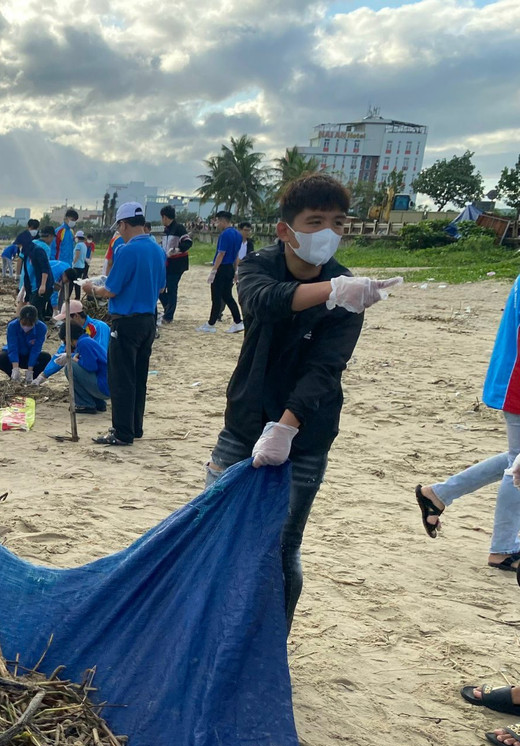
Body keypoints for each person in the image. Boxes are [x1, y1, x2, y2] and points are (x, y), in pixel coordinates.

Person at [203, 174, 401, 628]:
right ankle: (212, 625)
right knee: (216, 527)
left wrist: (288, 426)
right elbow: (261, 302)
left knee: (284, 545)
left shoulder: (352, 286)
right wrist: (330, 293)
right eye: (315, 221)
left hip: (307, 431)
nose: (328, 232)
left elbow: (326, 367)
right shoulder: (259, 266)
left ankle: (270, 642)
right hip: (245, 419)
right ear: (285, 230)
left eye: (337, 222)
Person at [416, 273, 520, 571]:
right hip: (516, 384)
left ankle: (439, 493)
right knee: (517, 463)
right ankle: (503, 549)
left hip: (510, 378)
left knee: (515, 457)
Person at [82, 202, 165, 446]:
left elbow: (110, 290)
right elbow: (161, 286)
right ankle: (134, 427)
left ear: (124, 224)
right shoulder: (157, 249)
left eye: (119, 226)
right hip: (148, 320)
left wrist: (90, 288)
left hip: (127, 321)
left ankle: (121, 432)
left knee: (121, 378)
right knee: (139, 376)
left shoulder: (126, 250)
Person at [35, 300, 109, 385]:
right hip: (88, 367)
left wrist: (71, 356)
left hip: (104, 372)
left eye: (66, 319)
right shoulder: (70, 330)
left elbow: (100, 354)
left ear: (76, 316)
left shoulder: (99, 327)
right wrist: (44, 375)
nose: (64, 322)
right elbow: (61, 353)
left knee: (72, 366)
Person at [200, 210, 244, 333]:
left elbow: (221, 254)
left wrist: (214, 271)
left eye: (217, 221)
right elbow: (236, 255)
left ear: (223, 221)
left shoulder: (225, 235)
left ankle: (211, 324)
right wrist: (236, 271)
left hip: (222, 268)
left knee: (216, 297)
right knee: (227, 296)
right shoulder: (238, 234)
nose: (216, 224)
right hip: (230, 267)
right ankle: (238, 321)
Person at [57, 322, 109, 414]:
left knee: (70, 367)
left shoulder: (83, 343)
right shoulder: (87, 340)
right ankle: (98, 403)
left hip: (103, 386)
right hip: (107, 384)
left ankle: (85, 404)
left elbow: (91, 367)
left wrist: (76, 360)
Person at [0, 304, 49, 382]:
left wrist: (30, 370)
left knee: (46, 358)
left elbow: (36, 350)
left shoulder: (41, 328)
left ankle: (32, 378)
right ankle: (14, 377)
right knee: (0, 358)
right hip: (15, 355)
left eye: (30, 324)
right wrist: (15, 368)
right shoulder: (12, 326)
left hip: (29, 356)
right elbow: (13, 347)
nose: (26, 326)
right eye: (23, 324)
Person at [159, 205, 191, 324]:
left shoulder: (179, 228)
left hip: (177, 264)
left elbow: (188, 242)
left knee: (172, 288)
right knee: (160, 288)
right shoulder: (166, 230)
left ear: (165, 217)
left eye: (162, 217)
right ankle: (168, 309)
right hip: (167, 263)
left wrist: (177, 250)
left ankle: (168, 316)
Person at [26, 225, 57, 320]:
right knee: (35, 311)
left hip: (35, 283)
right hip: (37, 283)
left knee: (35, 311)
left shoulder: (34, 246)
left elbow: (44, 268)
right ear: (50, 236)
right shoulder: (43, 248)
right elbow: (44, 268)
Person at [69, 230, 88, 300]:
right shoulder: (84, 245)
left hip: (76, 266)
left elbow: (77, 255)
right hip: (82, 266)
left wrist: (72, 264)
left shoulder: (78, 245)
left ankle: (67, 297)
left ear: (78, 237)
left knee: (72, 283)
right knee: (77, 284)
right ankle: (77, 298)